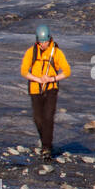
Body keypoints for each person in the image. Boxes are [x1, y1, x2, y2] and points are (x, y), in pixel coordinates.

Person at [19, 24, 71, 162]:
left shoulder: (56, 52)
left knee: (48, 116)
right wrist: (37, 79)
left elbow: (67, 71)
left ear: (49, 39)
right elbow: (24, 71)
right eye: (40, 42)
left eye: (45, 42)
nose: (43, 44)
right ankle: (45, 141)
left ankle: (46, 148)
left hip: (51, 88)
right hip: (35, 88)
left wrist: (51, 79)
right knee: (38, 118)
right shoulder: (31, 52)